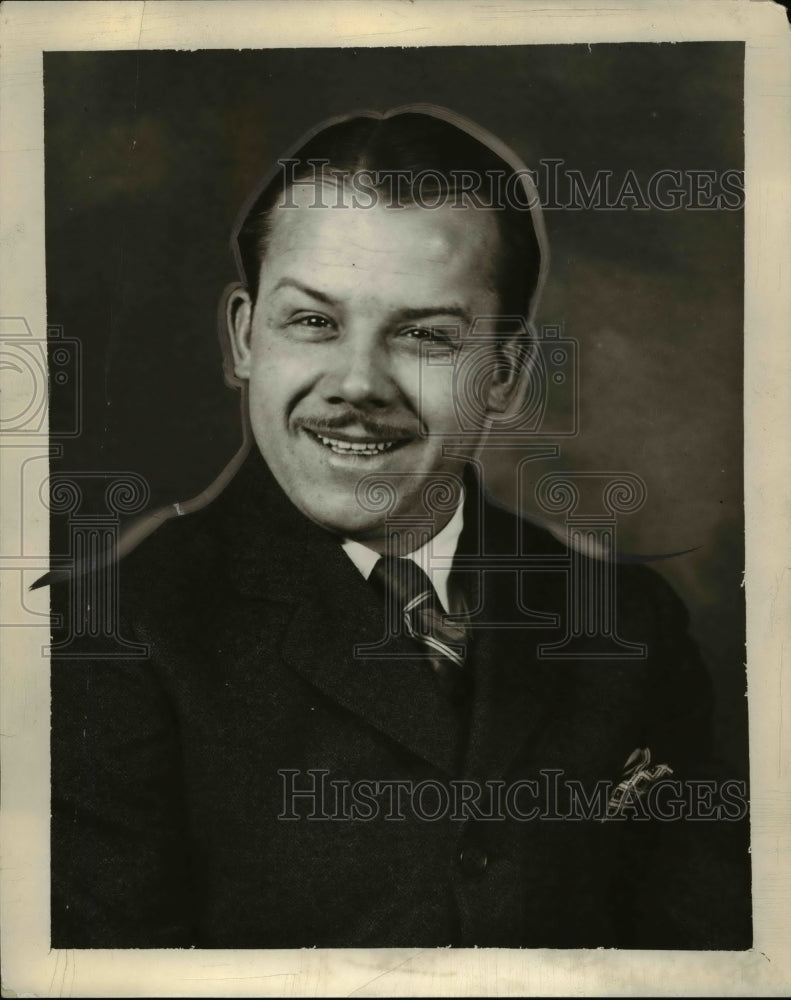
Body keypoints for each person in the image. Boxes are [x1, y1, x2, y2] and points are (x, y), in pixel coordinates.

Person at [50, 107, 751, 949]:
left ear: (503, 373)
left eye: (423, 334)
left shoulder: (629, 623)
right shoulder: (109, 637)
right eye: (312, 322)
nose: (357, 384)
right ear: (245, 338)